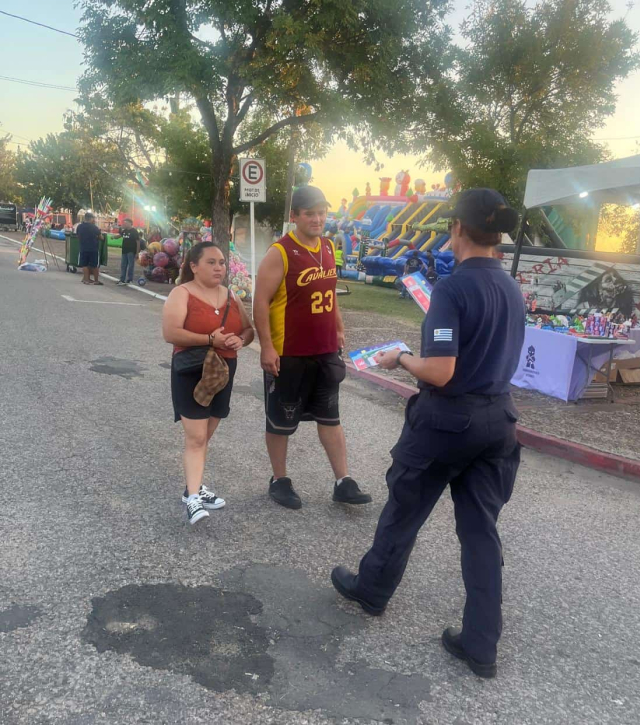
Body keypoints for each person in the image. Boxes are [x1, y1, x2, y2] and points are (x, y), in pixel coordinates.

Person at [331, 188, 524, 679]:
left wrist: (400, 358)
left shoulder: (453, 289)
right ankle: (481, 643)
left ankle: (372, 590)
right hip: (498, 421)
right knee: (480, 533)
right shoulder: (510, 287)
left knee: (404, 510)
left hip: (447, 422)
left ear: (457, 228)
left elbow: (439, 371)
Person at [253, 185, 371, 510]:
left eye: (322, 212)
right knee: (281, 420)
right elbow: (260, 302)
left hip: (324, 351)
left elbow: (330, 294)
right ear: (295, 216)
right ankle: (279, 479)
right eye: (310, 213)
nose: (318, 219)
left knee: (330, 415)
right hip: (288, 352)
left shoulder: (328, 247)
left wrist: (339, 327)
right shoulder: (280, 252)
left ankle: (343, 481)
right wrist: (266, 347)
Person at [162, 242, 255, 525]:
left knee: (205, 435)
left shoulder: (230, 295)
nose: (219, 268)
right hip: (192, 371)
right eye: (211, 262)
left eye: (222, 263)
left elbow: (248, 330)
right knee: (196, 438)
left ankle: (193, 485)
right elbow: (170, 333)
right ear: (194, 266)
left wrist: (241, 339)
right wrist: (210, 340)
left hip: (223, 372)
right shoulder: (182, 293)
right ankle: (193, 498)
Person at [76, 212, 103, 285]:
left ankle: (86, 279)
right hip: (93, 249)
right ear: (91, 219)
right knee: (94, 265)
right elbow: (101, 237)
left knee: (84, 264)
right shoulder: (94, 227)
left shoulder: (79, 226)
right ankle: (96, 280)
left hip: (83, 248)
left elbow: (78, 236)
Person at [117, 218, 140, 285]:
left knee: (130, 265)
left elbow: (138, 241)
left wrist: (137, 252)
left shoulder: (134, 231)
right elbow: (119, 235)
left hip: (131, 251)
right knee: (123, 265)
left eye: (126, 223)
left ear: (130, 223)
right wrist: (113, 237)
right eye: (124, 223)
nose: (125, 224)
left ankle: (130, 279)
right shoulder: (124, 231)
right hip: (124, 250)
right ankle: (122, 279)